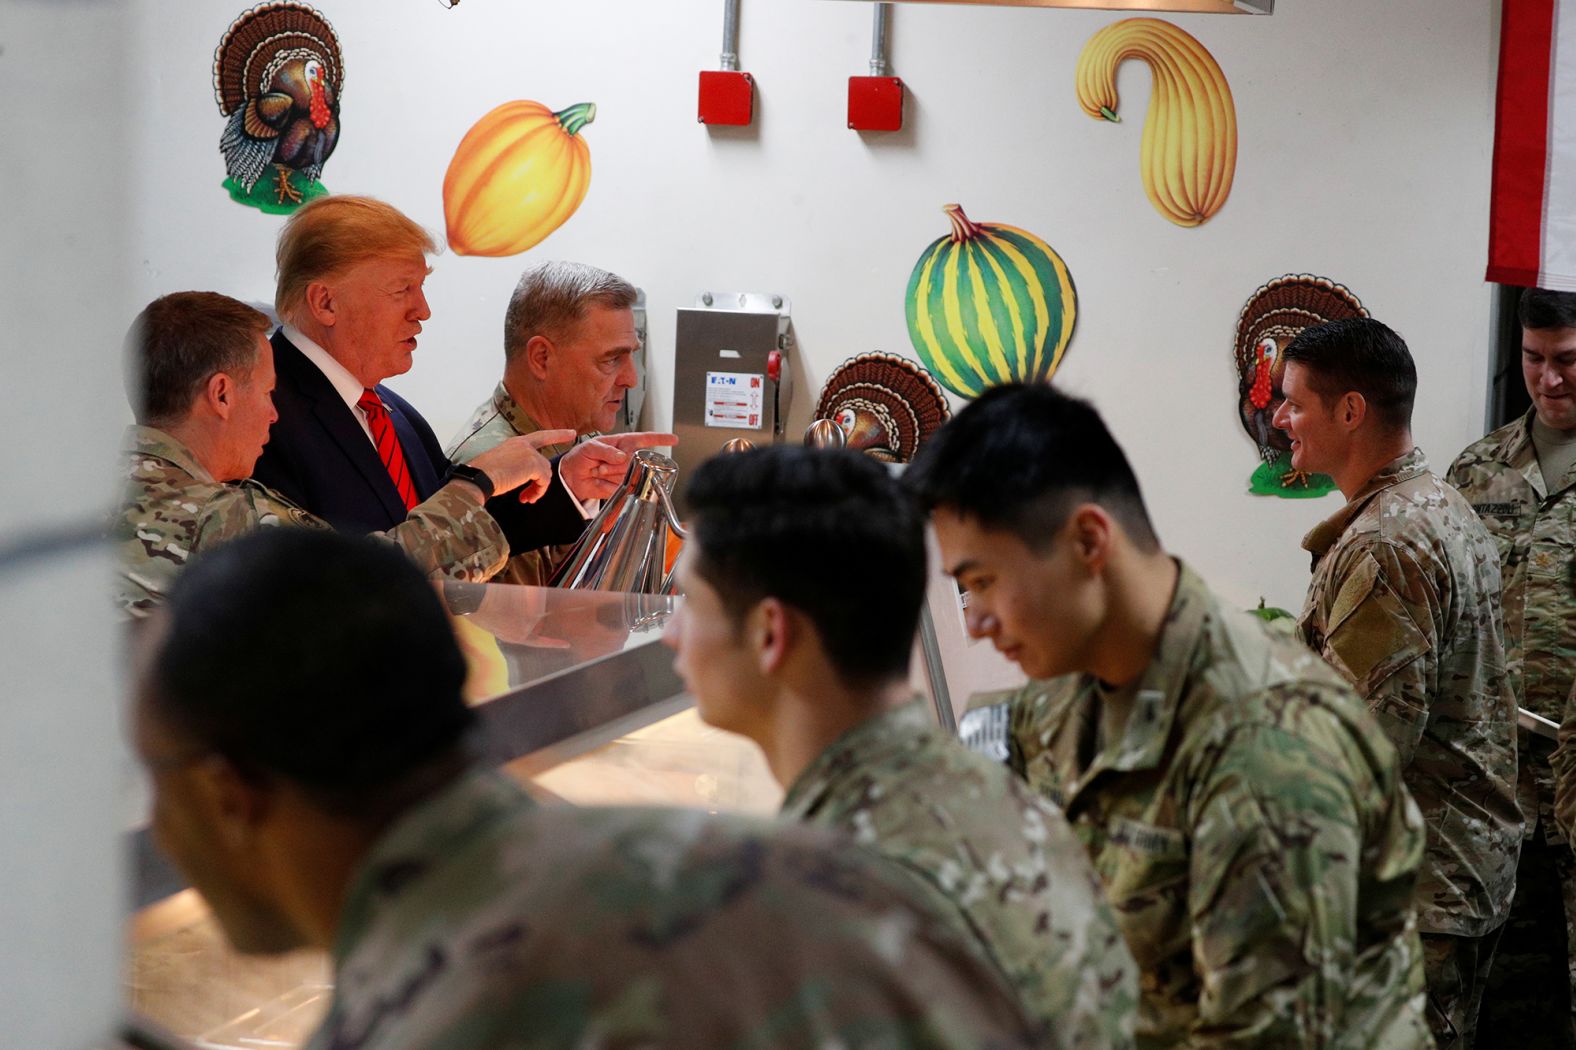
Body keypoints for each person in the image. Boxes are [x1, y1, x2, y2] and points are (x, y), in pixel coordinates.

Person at [130, 527, 1041, 1049]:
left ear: (229, 793)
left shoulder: (425, 1026)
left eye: (157, 778)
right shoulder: (821, 874)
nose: (161, 837)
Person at [903, 382, 1433, 1048]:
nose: (975, 623)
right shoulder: (1066, 695)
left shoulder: (1267, 748)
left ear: (1089, 541)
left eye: (982, 582)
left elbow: (1264, 1039)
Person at [662, 445, 1139, 1048]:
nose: (671, 634)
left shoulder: (822, 894)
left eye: (690, 603)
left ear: (769, 633)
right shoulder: (1000, 797)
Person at [1272, 317, 1521, 1047]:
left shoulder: (1387, 543)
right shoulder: (1437, 505)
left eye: (1294, 403)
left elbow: (1358, 754)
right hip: (1447, 875)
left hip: (1415, 897)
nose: (1281, 418)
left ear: (1350, 411)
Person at [249, 195, 671, 555]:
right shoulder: (260, 417)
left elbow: (447, 535)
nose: (423, 311)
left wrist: (567, 482)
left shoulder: (395, 413)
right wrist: (480, 479)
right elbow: (336, 580)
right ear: (325, 303)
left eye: (421, 287)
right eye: (403, 291)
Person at [113, 291, 571, 616]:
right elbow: (373, 579)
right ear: (222, 395)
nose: (274, 415)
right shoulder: (224, 519)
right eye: (268, 394)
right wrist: (476, 483)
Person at [1450, 287, 1576, 1049]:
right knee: (1512, 1012)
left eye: (1567, 360)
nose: (1549, 379)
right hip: (1501, 797)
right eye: (1533, 359)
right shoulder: (1480, 470)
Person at [447, 261, 642, 585]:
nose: (631, 378)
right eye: (611, 359)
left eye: (631, 355)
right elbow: (529, 628)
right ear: (541, 358)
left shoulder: (580, 436)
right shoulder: (487, 468)